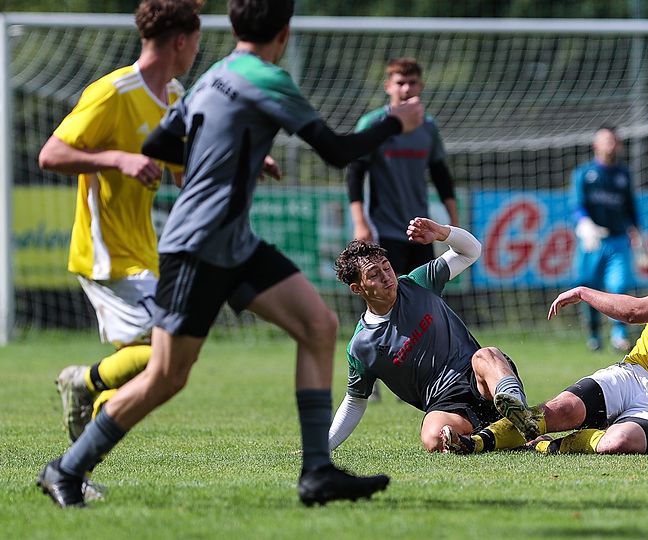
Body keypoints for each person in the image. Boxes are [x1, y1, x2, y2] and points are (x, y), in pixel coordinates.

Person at [36, 0, 424, 509]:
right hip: (198, 246)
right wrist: (395, 121)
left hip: (231, 243)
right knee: (166, 376)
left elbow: (161, 143)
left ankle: (316, 472)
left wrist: (236, 153)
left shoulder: (214, 75)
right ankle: (65, 469)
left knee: (318, 325)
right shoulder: (268, 78)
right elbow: (336, 151)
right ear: (283, 33)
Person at [37, 0, 202, 447]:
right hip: (105, 251)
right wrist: (118, 159)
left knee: (162, 361)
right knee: (168, 352)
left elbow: (184, 171)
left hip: (143, 249)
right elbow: (51, 154)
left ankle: (87, 417)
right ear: (181, 42)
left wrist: (240, 162)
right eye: (196, 41)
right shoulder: (113, 92)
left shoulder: (174, 96)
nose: (196, 51)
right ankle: (84, 385)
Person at [443, 207, 648, 456]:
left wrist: (583, 292)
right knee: (560, 410)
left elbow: (634, 312)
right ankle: (474, 443)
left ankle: (546, 446)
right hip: (632, 373)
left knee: (618, 442)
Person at [330, 217, 529, 453]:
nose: (386, 276)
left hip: (479, 379)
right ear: (357, 288)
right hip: (445, 403)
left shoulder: (418, 283)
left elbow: (471, 251)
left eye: (386, 267)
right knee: (433, 438)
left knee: (486, 355)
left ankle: (523, 417)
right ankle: (496, 435)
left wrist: (441, 232)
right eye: (374, 274)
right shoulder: (361, 346)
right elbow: (355, 401)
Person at [346, 57, 459, 276]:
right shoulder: (373, 124)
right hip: (383, 230)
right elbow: (355, 174)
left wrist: (454, 221)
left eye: (412, 82)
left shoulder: (428, 127)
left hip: (421, 230)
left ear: (421, 86)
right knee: (388, 291)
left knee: (424, 293)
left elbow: (441, 175)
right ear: (388, 86)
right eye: (400, 83)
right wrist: (360, 223)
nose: (406, 89)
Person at [570, 127, 645, 353]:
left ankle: (619, 334)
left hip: (618, 241)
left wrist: (639, 238)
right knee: (587, 287)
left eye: (613, 141)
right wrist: (585, 225)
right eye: (606, 140)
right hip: (592, 240)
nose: (610, 145)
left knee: (618, 286)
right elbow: (577, 205)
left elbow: (631, 209)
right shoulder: (584, 174)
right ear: (596, 145)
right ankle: (594, 335)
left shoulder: (623, 175)